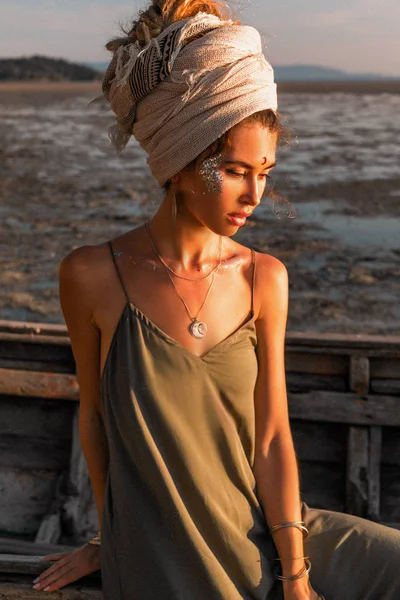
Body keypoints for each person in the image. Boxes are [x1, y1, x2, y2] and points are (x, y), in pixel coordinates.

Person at [32, 1, 400, 598]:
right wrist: (111, 537)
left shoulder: (264, 277)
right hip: (173, 556)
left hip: (280, 534)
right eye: (233, 170)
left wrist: (298, 572)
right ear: (179, 162)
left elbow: (274, 437)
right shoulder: (91, 275)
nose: (255, 193)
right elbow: (95, 420)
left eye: (265, 171)